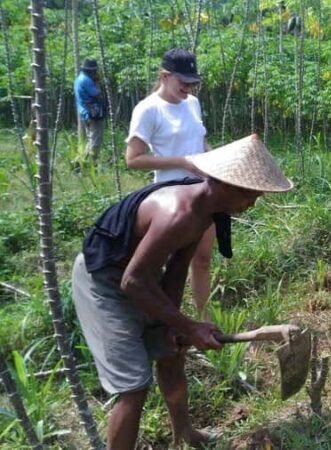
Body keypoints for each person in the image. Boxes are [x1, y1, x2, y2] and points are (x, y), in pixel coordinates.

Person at [72, 135, 294, 449]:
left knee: (171, 355)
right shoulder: (177, 212)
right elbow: (131, 282)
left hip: (143, 277)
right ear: (224, 184)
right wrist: (189, 326)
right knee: (134, 387)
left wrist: (173, 328)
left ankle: (185, 434)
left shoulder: (206, 212)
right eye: (249, 195)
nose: (252, 204)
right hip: (104, 281)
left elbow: (176, 272)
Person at [125, 48, 214, 320]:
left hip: (203, 192)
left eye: (192, 83)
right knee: (169, 265)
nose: (188, 88)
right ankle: (165, 320)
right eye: (183, 82)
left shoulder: (193, 104)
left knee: (202, 259)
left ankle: (205, 319)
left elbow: (201, 142)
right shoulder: (148, 109)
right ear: (165, 76)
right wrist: (182, 162)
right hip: (170, 200)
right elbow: (134, 159)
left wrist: (215, 165)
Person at [74, 57, 105, 162]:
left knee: (90, 139)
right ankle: (87, 164)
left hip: (85, 113)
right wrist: (97, 83)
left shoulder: (79, 78)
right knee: (96, 141)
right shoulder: (87, 80)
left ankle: (80, 162)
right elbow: (97, 94)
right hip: (92, 114)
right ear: (92, 70)